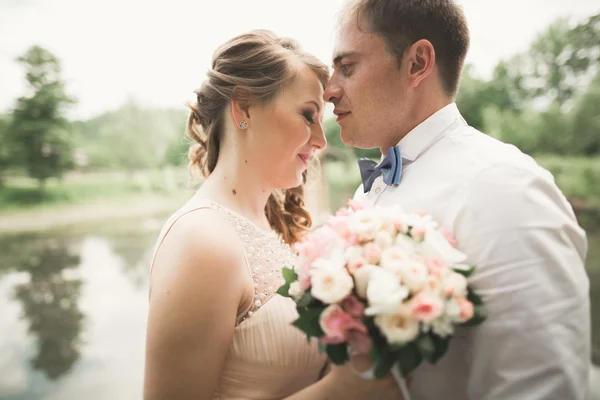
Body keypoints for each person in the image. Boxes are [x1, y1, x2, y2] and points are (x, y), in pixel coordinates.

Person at [323, 0, 591, 399]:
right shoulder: (370, 189)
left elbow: (543, 385)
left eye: (348, 67)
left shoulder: (504, 187)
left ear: (417, 63)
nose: (329, 90)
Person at [143, 30, 402, 400]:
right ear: (244, 107)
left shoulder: (276, 225)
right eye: (308, 115)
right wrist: (341, 389)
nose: (321, 140)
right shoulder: (200, 241)